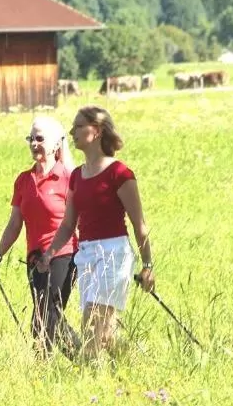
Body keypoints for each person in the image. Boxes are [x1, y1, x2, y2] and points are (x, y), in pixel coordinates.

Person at [35, 105, 154, 361]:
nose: (72, 131)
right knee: (100, 326)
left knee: (94, 323)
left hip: (114, 253)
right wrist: (49, 254)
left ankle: (90, 378)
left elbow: (139, 224)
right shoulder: (77, 176)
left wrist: (147, 265)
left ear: (97, 131)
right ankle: (129, 362)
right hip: (87, 254)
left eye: (79, 126)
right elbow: (68, 225)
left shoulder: (120, 174)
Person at [0, 115, 81, 359]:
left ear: (56, 144)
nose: (34, 143)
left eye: (40, 138)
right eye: (31, 138)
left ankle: (83, 360)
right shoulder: (24, 180)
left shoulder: (69, 178)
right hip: (35, 259)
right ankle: (50, 370)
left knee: (47, 316)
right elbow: (15, 223)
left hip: (64, 255)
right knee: (42, 319)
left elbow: (80, 220)